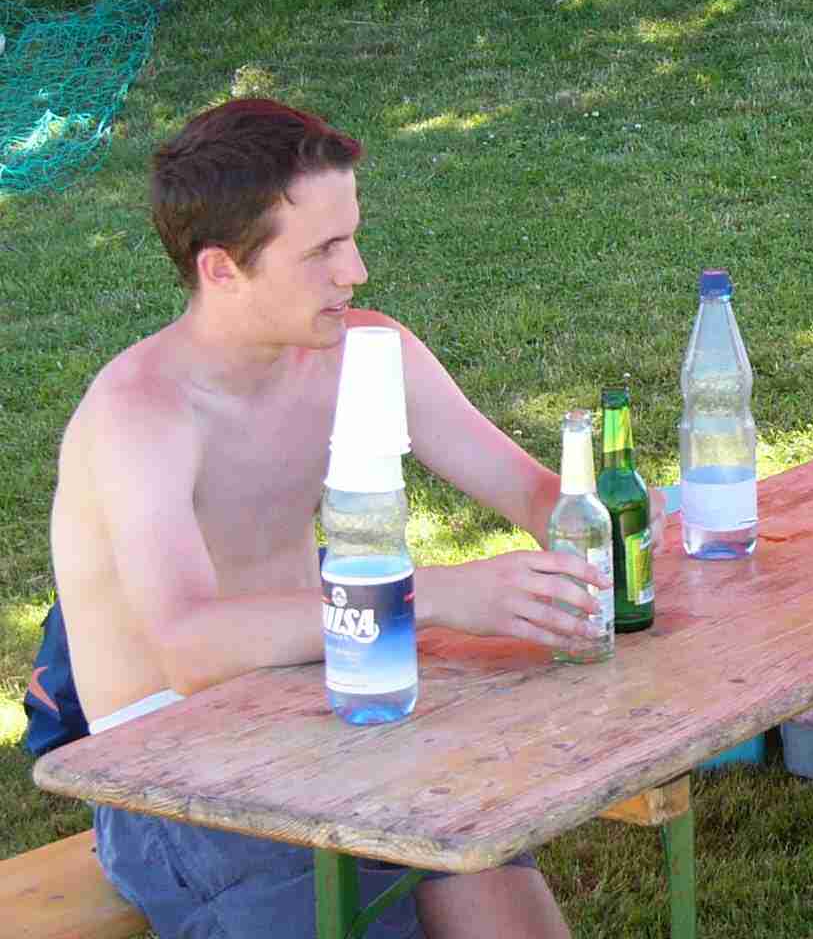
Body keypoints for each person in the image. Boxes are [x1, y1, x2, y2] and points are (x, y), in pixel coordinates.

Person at [49, 98, 624, 939]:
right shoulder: (142, 413)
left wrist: (617, 529)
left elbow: (539, 496)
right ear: (221, 269)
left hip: (326, 710)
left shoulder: (362, 352)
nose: (354, 271)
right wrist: (437, 595)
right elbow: (190, 645)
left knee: (497, 898)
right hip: (169, 776)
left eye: (350, 238)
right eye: (322, 250)